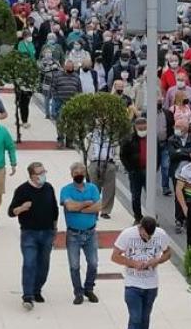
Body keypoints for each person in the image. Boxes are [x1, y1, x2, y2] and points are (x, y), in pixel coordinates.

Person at [112, 217, 174, 329]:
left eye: (150, 237)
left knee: (145, 318)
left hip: (151, 284)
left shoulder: (160, 234)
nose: (147, 239)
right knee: (135, 318)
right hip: (133, 283)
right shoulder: (127, 235)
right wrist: (133, 264)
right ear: (140, 228)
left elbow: (168, 253)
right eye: (145, 236)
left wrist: (157, 261)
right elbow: (115, 256)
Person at [7, 162, 59, 309]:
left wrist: (55, 228)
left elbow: (55, 209)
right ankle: (27, 296)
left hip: (47, 232)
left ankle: (37, 289)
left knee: (44, 265)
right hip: (29, 233)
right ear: (32, 176)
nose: (43, 175)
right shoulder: (22, 190)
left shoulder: (48, 188)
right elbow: (11, 212)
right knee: (29, 263)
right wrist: (22, 208)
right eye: (40, 173)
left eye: (44, 172)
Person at [60, 162, 102, 305]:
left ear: (85, 174)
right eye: (76, 172)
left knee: (93, 263)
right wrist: (86, 204)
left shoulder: (93, 188)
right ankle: (78, 292)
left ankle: (89, 289)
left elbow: (98, 206)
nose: (79, 175)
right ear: (71, 174)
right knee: (74, 266)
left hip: (90, 233)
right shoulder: (66, 190)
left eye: (81, 172)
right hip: (73, 235)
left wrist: (78, 208)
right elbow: (69, 207)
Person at [119, 118, 149, 224]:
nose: (142, 129)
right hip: (135, 171)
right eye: (139, 128)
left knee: (150, 195)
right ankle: (138, 217)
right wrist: (129, 169)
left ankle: (151, 216)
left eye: (144, 127)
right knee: (136, 196)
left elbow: (158, 153)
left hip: (148, 171)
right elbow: (123, 155)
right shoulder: (129, 139)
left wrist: (155, 168)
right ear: (135, 128)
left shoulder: (152, 138)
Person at [87, 125, 119, 219]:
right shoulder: (90, 136)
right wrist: (86, 164)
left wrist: (116, 161)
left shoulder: (113, 137)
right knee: (93, 187)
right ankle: (94, 208)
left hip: (109, 163)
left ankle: (105, 210)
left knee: (109, 189)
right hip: (94, 162)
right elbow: (85, 150)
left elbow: (117, 150)